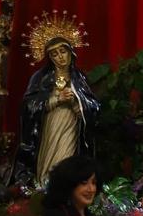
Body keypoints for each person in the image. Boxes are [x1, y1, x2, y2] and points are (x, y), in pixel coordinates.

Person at [15, 35, 100, 186]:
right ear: (50, 58)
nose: (60, 57)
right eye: (55, 54)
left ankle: (61, 188)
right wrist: (56, 100)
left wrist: (76, 102)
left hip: (70, 126)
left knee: (65, 157)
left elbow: (93, 107)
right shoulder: (40, 77)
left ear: (70, 53)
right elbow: (28, 105)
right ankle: (45, 186)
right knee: (49, 158)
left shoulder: (79, 78)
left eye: (63, 51)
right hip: (49, 126)